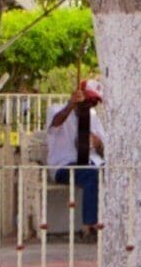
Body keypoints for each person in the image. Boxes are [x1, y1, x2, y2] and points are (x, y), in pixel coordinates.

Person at [42, 81, 103, 236]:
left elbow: (104, 147)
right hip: (63, 166)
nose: (91, 104)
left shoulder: (93, 117)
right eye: (88, 100)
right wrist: (71, 105)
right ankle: (89, 225)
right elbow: (56, 123)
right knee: (92, 174)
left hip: (91, 163)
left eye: (94, 102)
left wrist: (97, 143)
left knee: (111, 172)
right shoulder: (56, 109)